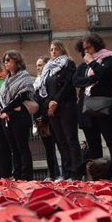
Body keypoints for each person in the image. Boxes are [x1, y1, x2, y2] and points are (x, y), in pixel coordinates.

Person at [73, 34, 112, 181]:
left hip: (106, 107)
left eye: (88, 47)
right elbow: (76, 81)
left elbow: (104, 73)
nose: (86, 52)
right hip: (87, 108)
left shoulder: (109, 59)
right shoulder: (83, 65)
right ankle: (97, 174)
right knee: (93, 143)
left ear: (97, 45)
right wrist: (92, 79)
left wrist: (92, 63)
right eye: (83, 49)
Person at [37, 42, 79, 180]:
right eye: (51, 49)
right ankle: (66, 172)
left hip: (66, 105)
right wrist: (49, 103)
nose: (53, 51)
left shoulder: (68, 63)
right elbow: (44, 89)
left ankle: (76, 173)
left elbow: (68, 84)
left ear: (62, 49)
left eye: (56, 49)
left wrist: (56, 101)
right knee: (61, 141)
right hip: (52, 109)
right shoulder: (48, 68)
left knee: (70, 139)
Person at [0, 51, 35, 181]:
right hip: (7, 117)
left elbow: (23, 96)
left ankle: (26, 176)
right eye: (5, 60)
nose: (6, 63)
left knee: (22, 147)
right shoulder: (7, 79)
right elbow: (0, 97)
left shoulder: (24, 76)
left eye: (8, 60)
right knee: (13, 148)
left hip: (20, 116)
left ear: (16, 61)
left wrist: (6, 109)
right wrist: (1, 111)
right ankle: (17, 175)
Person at [34, 57, 60, 179]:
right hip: (41, 120)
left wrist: (44, 116)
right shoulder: (37, 82)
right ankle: (53, 174)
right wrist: (36, 119)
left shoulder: (49, 79)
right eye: (37, 66)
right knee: (49, 149)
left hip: (51, 116)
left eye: (40, 65)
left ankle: (63, 173)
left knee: (60, 145)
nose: (38, 68)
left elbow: (48, 99)